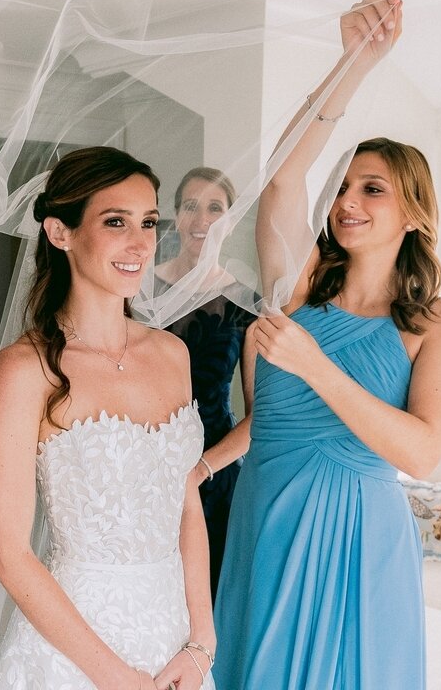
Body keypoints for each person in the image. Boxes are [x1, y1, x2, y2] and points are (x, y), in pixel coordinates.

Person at [211, 0, 441, 688]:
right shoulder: (297, 287)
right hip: (268, 513)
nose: (347, 200)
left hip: (362, 533)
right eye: (345, 186)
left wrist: (317, 368)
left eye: (373, 189)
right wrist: (352, 62)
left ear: (414, 212)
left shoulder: (440, 324)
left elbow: (421, 451)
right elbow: (282, 182)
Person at [0, 146, 215, 689]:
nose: (140, 243)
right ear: (61, 232)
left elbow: (186, 503)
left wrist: (203, 641)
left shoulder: (172, 355)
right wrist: (113, 676)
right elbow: (8, 554)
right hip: (75, 644)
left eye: (149, 222)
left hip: (175, 637)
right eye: (116, 222)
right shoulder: (27, 369)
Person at [154, 168, 256, 600]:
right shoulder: (138, 288)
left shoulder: (244, 303)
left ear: (231, 221)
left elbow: (261, 415)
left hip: (212, 472)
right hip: (142, 461)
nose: (202, 219)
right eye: (190, 206)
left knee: (204, 598)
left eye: (215, 208)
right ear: (175, 217)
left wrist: (200, 471)